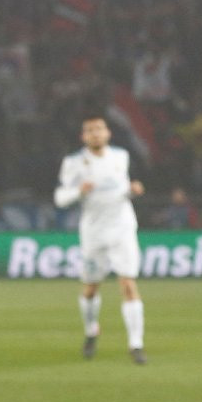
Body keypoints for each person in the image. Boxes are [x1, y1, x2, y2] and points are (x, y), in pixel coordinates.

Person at [54, 115, 147, 364]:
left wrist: (133, 191)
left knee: (128, 283)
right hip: (94, 233)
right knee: (91, 288)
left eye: (99, 129)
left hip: (122, 228)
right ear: (83, 137)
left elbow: (121, 190)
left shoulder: (121, 157)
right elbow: (60, 198)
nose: (96, 133)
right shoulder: (74, 163)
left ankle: (136, 344)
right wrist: (78, 191)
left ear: (108, 133)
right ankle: (91, 329)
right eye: (90, 130)